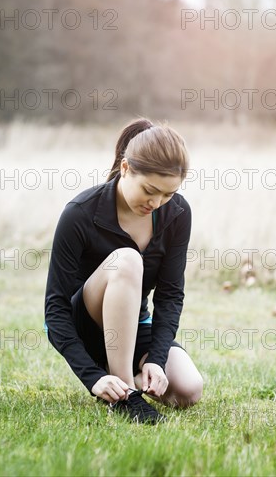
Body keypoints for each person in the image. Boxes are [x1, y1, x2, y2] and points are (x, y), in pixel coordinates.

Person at [44, 117, 203, 424]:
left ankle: (128, 374)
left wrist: (156, 360)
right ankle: (126, 396)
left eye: (168, 194)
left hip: (134, 327)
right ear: (127, 168)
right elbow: (55, 311)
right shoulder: (79, 213)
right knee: (128, 260)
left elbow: (170, 296)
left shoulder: (178, 214)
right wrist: (92, 377)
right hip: (87, 327)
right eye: (150, 190)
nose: (157, 202)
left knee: (188, 390)